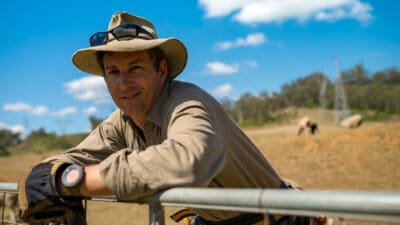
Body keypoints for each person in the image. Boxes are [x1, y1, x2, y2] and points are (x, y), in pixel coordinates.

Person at [18, 11, 325, 225]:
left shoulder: (186, 101)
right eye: (113, 72)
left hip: (277, 220)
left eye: (135, 68)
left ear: (161, 70)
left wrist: (79, 181)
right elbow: (72, 159)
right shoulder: (121, 121)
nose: (123, 83)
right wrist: (49, 173)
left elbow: (189, 160)